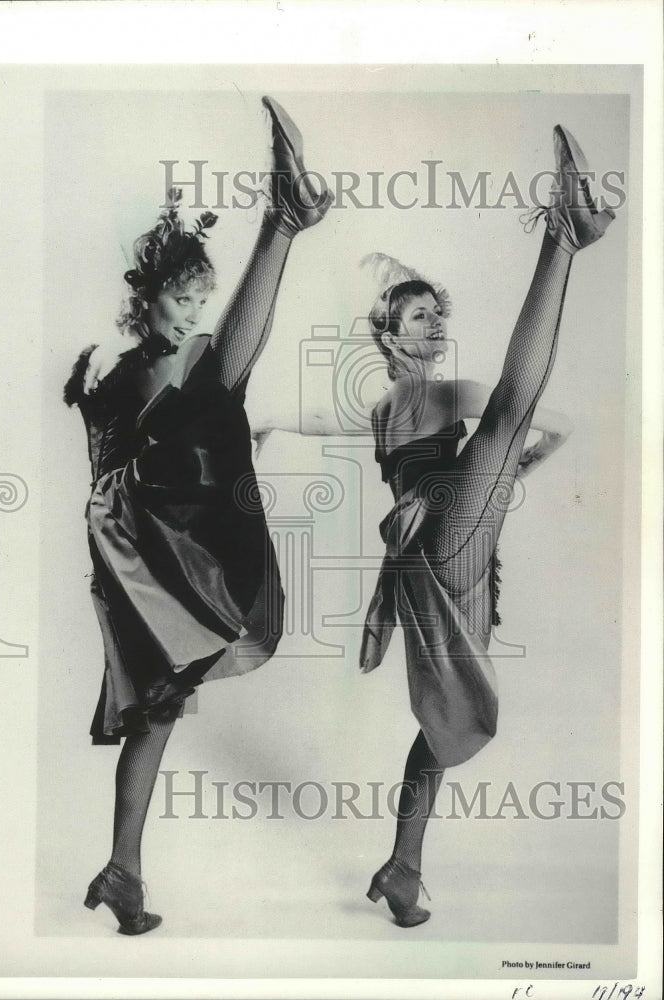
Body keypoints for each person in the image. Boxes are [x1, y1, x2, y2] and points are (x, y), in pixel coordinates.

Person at [256, 125, 616, 926]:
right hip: (445, 547)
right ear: (389, 335)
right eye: (417, 319)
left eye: (434, 316)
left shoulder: (401, 406)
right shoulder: (429, 398)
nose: (432, 328)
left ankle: (403, 867)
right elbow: (539, 422)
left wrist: (484, 479)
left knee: (443, 728)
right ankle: (564, 234)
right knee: (509, 409)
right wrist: (495, 468)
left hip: (445, 557)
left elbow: (529, 435)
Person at [64, 96, 332, 935]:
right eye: (181, 298)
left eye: (199, 300)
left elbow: (184, 410)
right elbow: (121, 453)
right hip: (140, 542)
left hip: (165, 531)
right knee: (223, 379)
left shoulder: (162, 365)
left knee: (157, 709)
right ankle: (280, 223)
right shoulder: (125, 365)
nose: (189, 312)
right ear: (145, 297)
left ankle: (122, 872)